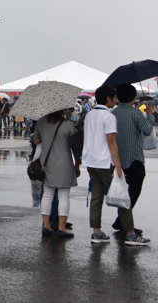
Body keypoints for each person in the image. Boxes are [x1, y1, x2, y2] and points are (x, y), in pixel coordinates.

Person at [81, 85, 144, 244]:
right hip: (105, 162)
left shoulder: (90, 114)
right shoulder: (108, 117)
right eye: (114, 98)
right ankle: (130, 233)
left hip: (91, 161)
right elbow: (111, 142)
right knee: (122, 195)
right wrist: (118, 165)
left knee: (96, 196)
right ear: (108, 99)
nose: (116, 100)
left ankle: (97, 231)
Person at [110, 84, 155, 239]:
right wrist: (150, 115)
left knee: (122, 191)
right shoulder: (135, 112)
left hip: (117, 159)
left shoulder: (113, 113)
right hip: (134, 158)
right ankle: (123, 222)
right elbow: (147, 130)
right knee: (133, 191)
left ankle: (122, 221)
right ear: (132, 97)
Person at [31, 108, 78, 238]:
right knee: (64, 195)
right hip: (65, 163)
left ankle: (46, 225)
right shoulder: (68, 125)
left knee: (47, 194)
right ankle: (62, 227)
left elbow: (35, 141)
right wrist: (78, 164)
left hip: (46, 163)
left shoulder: (41, 122)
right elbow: (74, 145)